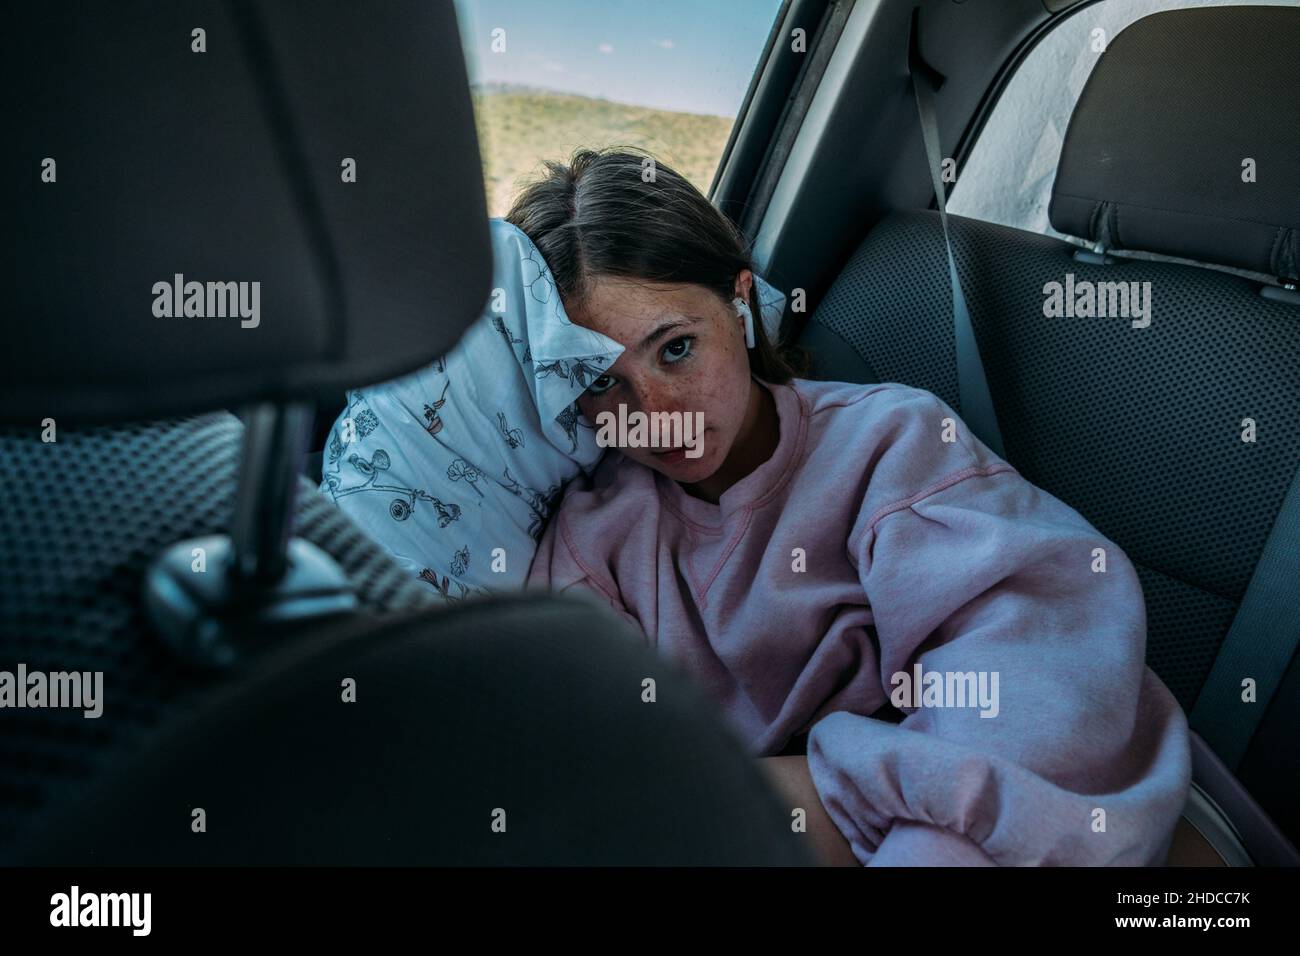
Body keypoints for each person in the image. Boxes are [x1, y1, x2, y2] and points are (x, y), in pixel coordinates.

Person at [517, 146, 1191, 866]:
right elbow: (595, 786)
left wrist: (833, 788)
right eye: (600, 383)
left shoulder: (890, 446)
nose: (656, 414)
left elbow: (1030, 688)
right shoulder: (596, 545)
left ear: (740, 304)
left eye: (676, 349)